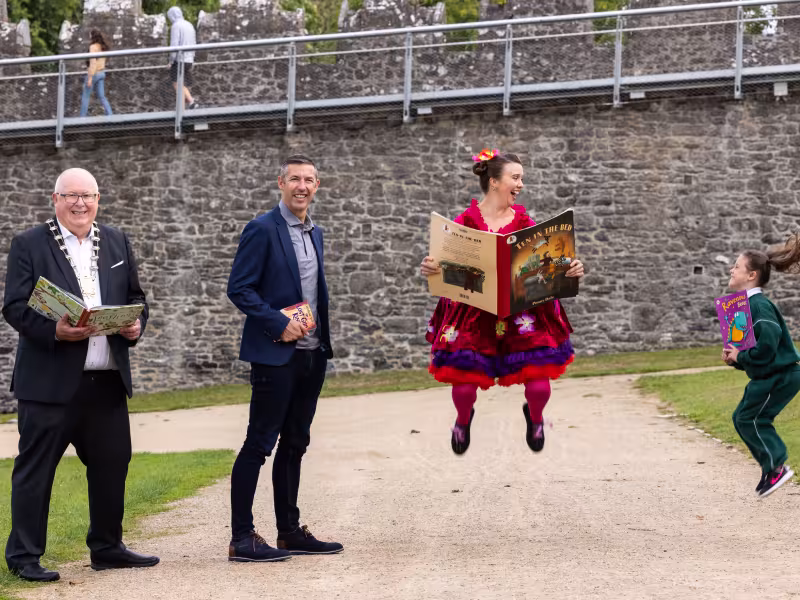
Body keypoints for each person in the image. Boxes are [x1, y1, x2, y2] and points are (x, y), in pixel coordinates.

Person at [2, 168, 158, 582]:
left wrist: (135, 324)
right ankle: (24, 557)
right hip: (49, 383)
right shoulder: (28, 244)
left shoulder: (117, 240)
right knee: (36, 471)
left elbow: (137, 297)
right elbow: (15, 307)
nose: (79, 204)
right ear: (55, 199)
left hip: (105, 379)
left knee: (113, 464)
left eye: (87, 196)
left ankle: (107, 548)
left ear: (98, 199)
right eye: (70, 196)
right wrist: (54, 329)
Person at [420, 149, 584, 455]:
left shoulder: (524, 221)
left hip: (521, 310)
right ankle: (463, 418)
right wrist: (431, 267)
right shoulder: (465, 220)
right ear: (494, 182)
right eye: (515, 177)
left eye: (521, 178)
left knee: (538, 382)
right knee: (465, 384)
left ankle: (534, 418)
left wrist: (571, 269)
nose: (521, 184)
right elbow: (443, 263)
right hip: (474, 311)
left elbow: (547, 260)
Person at [226, 154, 342, 563]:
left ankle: (289, 531)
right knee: (259, 444)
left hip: (312, 355)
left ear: (317, 186)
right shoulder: (261, 229)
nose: (302, 186)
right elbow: (239, 289)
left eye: (309, 180)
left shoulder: (316, 233)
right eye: (294, 179)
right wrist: (277, 323)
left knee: (295, 443)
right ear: (281, 182)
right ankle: (242, 538)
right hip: (274, 356)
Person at [722, 235, 800, 498]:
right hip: (769, 376)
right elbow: (755, 355)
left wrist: (740, 356)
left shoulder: (760, 306)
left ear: (751, 274)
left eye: (736, 266)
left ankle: (777, 467)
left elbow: (766, 347)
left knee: (751, 418)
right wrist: (735, 358)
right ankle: (772, 468)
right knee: (742, 417)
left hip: (781, 375)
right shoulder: (744, 308)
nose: (731, 270)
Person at [167, 6, 198, 109]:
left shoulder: (176, 26)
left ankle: (191, 102)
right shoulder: (189, 24)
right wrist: (193, 58)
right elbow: (194, 42)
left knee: (177, 84)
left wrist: (171, 61)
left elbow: (174, 44)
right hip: (189, 59)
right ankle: (183, 107)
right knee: (181, 84)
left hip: (180, 59)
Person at [79, 30, 113, 117]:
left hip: (95, 73)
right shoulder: (103, 47)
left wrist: (90, 78)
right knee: (102, 96)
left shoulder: (93, 47)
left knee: (86, 96)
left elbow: (93, 63)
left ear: (92, 36)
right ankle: (110, 115)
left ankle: (82, 118)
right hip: (102, 73)